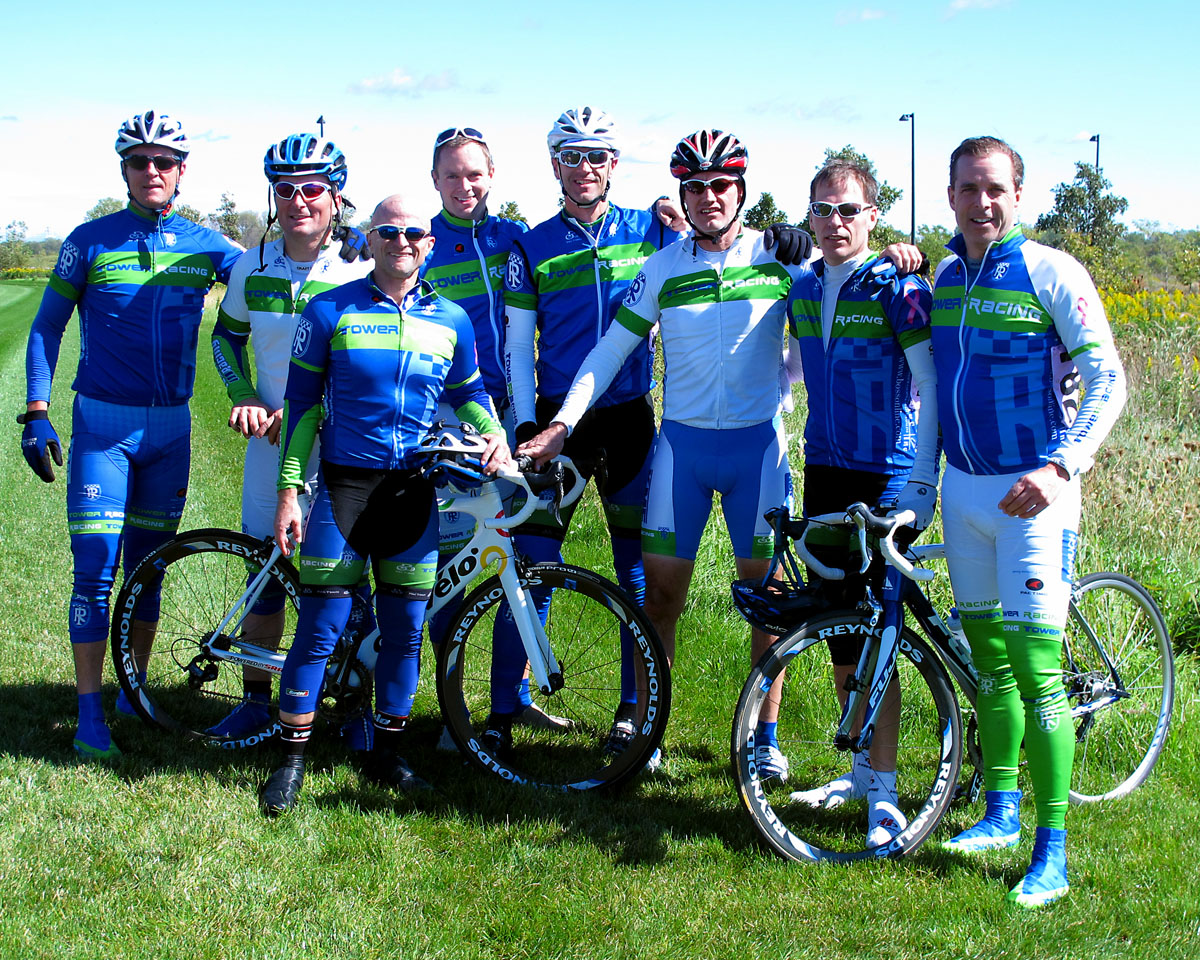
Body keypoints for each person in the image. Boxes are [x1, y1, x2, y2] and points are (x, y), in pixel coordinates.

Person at [517, 129, 814, 766]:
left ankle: (764, 741)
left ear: (741, 190)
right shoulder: (662, 267)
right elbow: (607, 353)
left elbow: (838, 300)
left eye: (721, 184)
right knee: (660, 602)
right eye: (696, 187)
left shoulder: (777, 258)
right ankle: (649, 729)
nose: (709, 198)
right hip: (683, 451)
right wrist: (563, 423)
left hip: (758, 452)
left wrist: (894, 256)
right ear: (682, 195)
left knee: (768, 604)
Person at [259, 194, 510, 816]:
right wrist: (289, 492)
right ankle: (290, 761)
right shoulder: (329, 309)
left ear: (430, 244)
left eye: (414, 233)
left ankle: (388, 756)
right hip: (344, 490)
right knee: (319, 630)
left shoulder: (452, 319)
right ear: (369, 240)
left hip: (413, 494)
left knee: (403, 634)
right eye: (389, 232)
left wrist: (494, 432)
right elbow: (302, 408)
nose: (402, 242)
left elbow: (470, 392)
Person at [932, 136, 1126, 907]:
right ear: (950, 195)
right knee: (990, 666)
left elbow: (1108, 377)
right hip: (962, 492)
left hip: (1035, 497)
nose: (981, 202)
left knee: (1038, 671)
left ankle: (1053, 852)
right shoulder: (946, 277)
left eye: (995, 189)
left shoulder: (1052, 271)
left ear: (1018, 195)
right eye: (968, 189)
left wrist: (1060, 466)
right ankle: (1000, 812)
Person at [21, 110, 243, 761]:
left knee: (149, 572)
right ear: (124, 168)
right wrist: (36, 409)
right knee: (95, 570)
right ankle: (90, 714)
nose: (152, 170)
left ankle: (133, 690)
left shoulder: (209, 246)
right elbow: (47, 327)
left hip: (170, 430)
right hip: (103, 429)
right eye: (139, 160)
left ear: (181, 170)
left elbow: (278, 276)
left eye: (163, 161)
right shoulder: (89, 240)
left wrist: (346, 254)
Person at [493, 106, 689, 756]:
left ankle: (632, 714)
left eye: (596, 155)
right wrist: (527, 423)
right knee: (533, 567)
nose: (584, 167)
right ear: (555, 165)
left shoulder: (652, 230)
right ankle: (502, 710)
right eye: (571, 156)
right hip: (558, 426)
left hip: (629, 419)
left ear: (614, 163)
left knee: (636, 574)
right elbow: (517, 347)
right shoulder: (531, 246)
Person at [783, 159, 937, 848]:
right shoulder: (803, 287)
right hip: (824, 470)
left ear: (873, 215)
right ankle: (859, 770)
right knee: (842, 633)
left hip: (887, 473)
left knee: (881, 635)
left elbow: (931, 383)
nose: (835, 222)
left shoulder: (898, 285)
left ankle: (886, 793)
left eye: (848, 209)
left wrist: (922, 481)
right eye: (823, 209)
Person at [209, 133, 372, 739]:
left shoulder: (362, 265)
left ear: (337, 196)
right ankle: (257, 701)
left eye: (312, 188)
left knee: (350, 575)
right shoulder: (250, 266)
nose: (298, 201)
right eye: (285, 190)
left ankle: (354, 705)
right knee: (266, 571)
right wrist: (243, 395)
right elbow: (225, 338)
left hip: (346, 445)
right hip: (272, 444)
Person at [420, 127, 569, 735]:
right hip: (450, 421)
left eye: (474, 174)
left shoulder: (516, 238)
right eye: (452, 175)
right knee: (449, 570)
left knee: (536, 557)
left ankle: (510, 698)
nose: (464, 186)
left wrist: (665, 212)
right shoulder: (421, 243)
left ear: (492, 177)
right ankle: (452, 707)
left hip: (515, 416)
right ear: (435, 180)